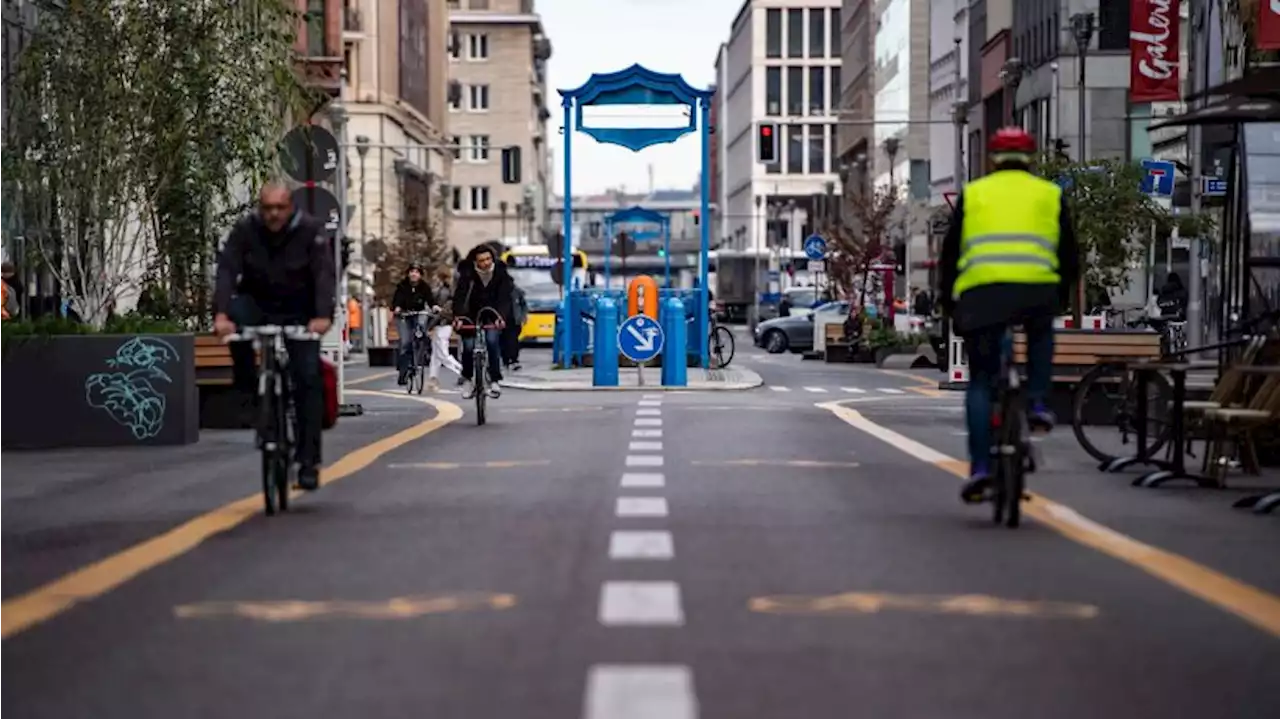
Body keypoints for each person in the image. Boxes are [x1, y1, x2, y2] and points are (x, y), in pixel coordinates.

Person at [939, 127, 1080, 504]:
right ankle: (1036, 403)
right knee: (1039, 335)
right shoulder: (1049, 194)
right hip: (1036, 291)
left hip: (981, 295)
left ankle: (981, 468)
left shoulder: (975, 194)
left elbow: (949, 256)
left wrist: (949, 305)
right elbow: (1069, 255)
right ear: (1030, 158)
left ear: (992, 158)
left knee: (982, 382)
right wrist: (1060, 296)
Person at [213, 182, 335, 491]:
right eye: (267, 208)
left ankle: (308, 461)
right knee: (238, 324)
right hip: (259, 304)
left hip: (301, 310)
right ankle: (251, 391)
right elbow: (227, 269)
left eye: (280, 208)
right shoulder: (245, 229)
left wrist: (322, 316)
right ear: (260, 208)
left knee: (307, 379)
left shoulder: (310, 231)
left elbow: (323, 274)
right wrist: (221, 314)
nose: (273, 214)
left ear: (290, 207)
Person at [452, 244, 512, 399]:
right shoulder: (467, 274)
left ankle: (494, 380)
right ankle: (467, 379)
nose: (486, 263)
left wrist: (501, 317)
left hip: (493, 314)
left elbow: (505, 298)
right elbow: (459, 297)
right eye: (481, 261)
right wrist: (458, 317)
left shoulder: (501, 273)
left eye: (488, 259)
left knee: (492, 341)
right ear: (475, 262)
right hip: (470, 314)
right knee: (468, 346)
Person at [391, 264, 435, 385]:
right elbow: (397, 300)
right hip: (404, 315)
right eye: (411, 271)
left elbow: (430, 300)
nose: (414, 274)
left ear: (420, 275)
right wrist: (397, 308)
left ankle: (422, 354)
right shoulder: (402, 286)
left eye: (417, 272)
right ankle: (403, 372)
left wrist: (434, 306)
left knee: (420, 331)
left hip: (418, 313)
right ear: (408, 273)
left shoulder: (424, 287)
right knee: (405, 342)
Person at [427, 268, 462, 391]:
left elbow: (441, 312)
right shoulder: (448, 290)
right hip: (443, 323)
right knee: (436, 354)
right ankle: (433, 378)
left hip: (442, 323)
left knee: (442, 353)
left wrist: (429, 325)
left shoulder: (443, 291)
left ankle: (463, 372)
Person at [502, 282, 528, 372]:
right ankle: (505, 360)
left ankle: (514, 360)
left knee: (513, 341)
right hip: (501, 320)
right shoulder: (498, 291)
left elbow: (523, 304)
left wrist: (523, 317)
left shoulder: (517, 291)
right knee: (503, 341)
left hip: (514, 321)